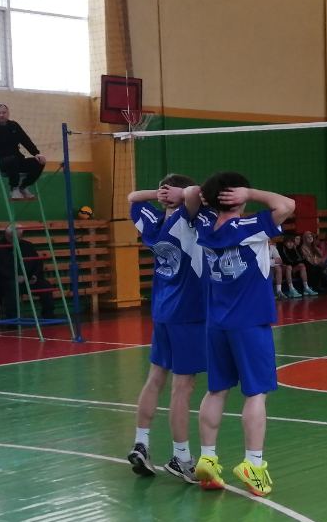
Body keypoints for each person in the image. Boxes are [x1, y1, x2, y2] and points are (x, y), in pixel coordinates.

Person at [183, 173, 296, 498]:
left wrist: (207, 194)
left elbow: (189, 193)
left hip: (216, 323)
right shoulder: (249, 227)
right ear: (237, 196)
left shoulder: (205, 225)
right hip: (249, 323)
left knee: (216, 390)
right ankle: (253, 464)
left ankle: (207, 458)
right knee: (256, 394)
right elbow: (287, 205)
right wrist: (251, 191)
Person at [126, 175, 205, 481]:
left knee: (155, 379)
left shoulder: (153, 223)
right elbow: (196, 193)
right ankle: (181, 457)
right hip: (187, 313)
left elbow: (132, 197)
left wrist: (159, 194)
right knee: (183, 387)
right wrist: (179, 194)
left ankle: (141, 443)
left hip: (161, 311)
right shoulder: (186, 220)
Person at [0, 103, 47, 200]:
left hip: (16, 161)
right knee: (12, 160)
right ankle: (14, 188)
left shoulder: (14, 125)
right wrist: (8, 155)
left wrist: (36, 153)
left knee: (39, 162)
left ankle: (23, 186)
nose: (1, 115)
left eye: (4, 112)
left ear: (8, 113)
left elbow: (26, 140)